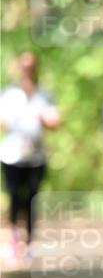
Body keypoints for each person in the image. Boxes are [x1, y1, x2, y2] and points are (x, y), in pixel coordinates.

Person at [0, 52, 60, 263]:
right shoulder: (8, 94)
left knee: (33, 199)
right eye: (24, 66)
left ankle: (31, 242)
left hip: (36, 156)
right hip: (12, 155)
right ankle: (13, 240)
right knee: (15, 197)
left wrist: (45, 120)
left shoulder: (44, 95)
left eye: (31, 66)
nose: (27, 70)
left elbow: (55, 122)